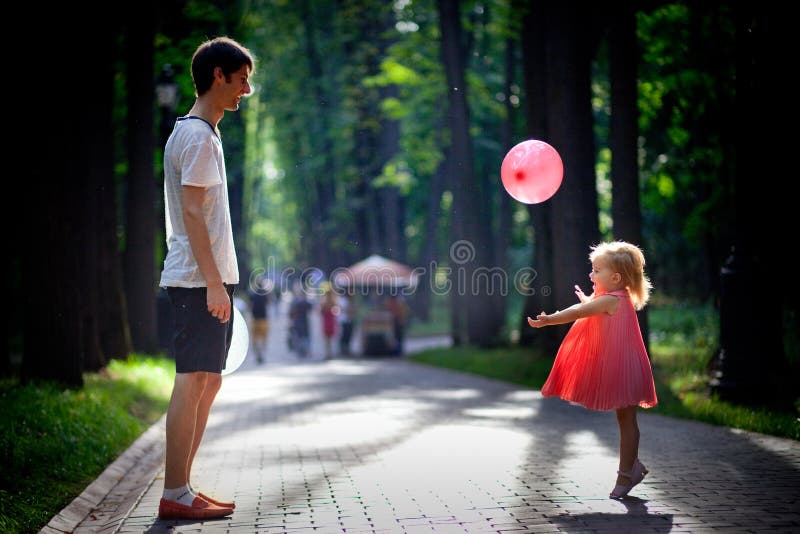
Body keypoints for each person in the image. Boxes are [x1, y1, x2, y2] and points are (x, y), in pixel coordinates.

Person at [157, 36, 253, 520]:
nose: (245, 90)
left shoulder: (203, 134)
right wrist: (214, 283)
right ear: (218, 75)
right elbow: (193, 213)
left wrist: (220, 280)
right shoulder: (195, 136)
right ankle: (175, 492)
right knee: (192, 379)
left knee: (209, 380)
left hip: (210, 276)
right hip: (198, 279)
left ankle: (183, 486)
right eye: (241, 80)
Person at [527, 241, 657, 500]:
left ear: (616, 277)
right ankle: (632, 467)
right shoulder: (616, 298)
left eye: (597, 271)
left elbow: (579, 311)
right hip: (629, 364)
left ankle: (625, 472)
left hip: (624, 366)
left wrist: (549, 319)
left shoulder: (610, 300)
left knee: (626, 419)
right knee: (626, 418)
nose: (591, 274)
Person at [248, 277, 271, 364]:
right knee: (263, 338)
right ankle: (261, 353)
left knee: (255, 339)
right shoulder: (265, 294)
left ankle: (258, 354)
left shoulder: (252, 294)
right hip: (264, 319)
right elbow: (269, 303)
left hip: (255, 319)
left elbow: (249, 306)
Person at [288, 283, 313, 357]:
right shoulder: (304, 301)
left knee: (301, 336)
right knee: (303, 336)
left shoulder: (295, 301)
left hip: (300, 321)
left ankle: (303, 350)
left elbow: (291, 313)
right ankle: (305, 350)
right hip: (302, 321)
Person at [320, 286, 339, 359]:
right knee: (329, 339)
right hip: (329, 321)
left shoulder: (326, 302)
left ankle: (329, 353)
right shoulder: (333, 302)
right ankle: (329, 353)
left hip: (328, 321)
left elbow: (320, 312)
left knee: (328, 339)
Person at [338, 288, 357, 356]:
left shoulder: (351, 300)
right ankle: (343, 350)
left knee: (349, 335)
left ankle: (347, 349)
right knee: (344, 336)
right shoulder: (342, 300)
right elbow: (342, 309)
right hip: (343, 320)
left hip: (350, 320)